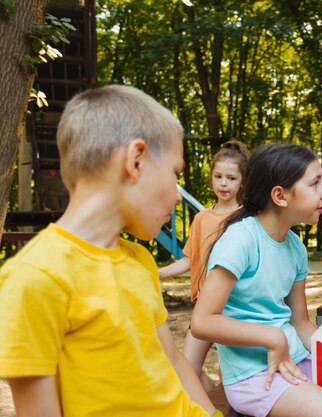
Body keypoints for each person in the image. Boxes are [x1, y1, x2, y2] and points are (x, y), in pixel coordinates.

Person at [0, 85, 219, 416]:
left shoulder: (140, 261)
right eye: (175, 174)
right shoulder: (34, 278)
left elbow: (173, 360)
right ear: (136, 160)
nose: (177, 197)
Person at [190, 143, 322, 417]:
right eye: (315, 184)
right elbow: (202, 321)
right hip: (255, 376)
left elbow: (300, 322)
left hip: (299, 360)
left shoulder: (295, 247)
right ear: (280, 196)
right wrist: (273, 338)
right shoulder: (240, 239)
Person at [159, 139, 250, 393]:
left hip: (235, 308)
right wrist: (159, 273)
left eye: (231, 178)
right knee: (188, 370)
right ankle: (210, 407)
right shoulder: (201, 218)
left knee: (231, 375)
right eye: (218, 176)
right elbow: (190, 260)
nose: (223, 183)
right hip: (203, 310)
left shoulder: (246, 218)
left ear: (242, 181)